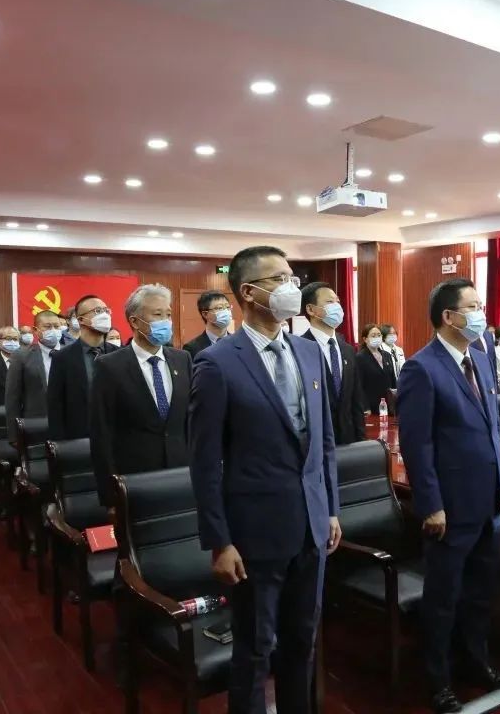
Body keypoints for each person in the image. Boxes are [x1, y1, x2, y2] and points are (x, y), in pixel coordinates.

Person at [188, 245, 339, 714]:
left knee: (302, 641)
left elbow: (324, 441)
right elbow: (204, 462)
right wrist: (219, 540)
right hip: (255, 533)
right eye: (280, 279)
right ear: (249, 292)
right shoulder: (217, 363)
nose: (292, 287)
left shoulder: (309, 352)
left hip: (312, 526)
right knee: (254, 649)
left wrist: (331, 509)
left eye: (293, 278)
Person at [396, 278, 500, 713]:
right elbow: (417, 444)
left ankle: (477, 662)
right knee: (443, 599)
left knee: (480, 594)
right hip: (449, 507)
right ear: (448, 316)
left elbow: (489, 426)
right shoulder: (421, 368)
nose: (482, 314)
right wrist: (430, 505)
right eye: (473, 307)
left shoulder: (480, 357)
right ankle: (438, 680)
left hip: (488, 500)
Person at [91, 285, 191, 507]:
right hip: (135, 479)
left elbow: (191, 420)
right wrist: (110, 497)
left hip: (182, 474)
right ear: (135, 322)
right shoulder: (109, 366)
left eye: (168, 314)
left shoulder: (183, 359)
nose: (166, 321)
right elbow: (102, 433)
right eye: (157, 314)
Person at [301, 282, 366, 444]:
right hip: (315, 442)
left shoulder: (348, 350)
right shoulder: (299, 349)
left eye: (338, 301)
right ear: (311, 309)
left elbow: (356, 401)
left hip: (348, 441)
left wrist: (361, 441)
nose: (337, 306)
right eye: (330, 302)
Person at [47, 295, 118, 440]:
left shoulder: (119, 354)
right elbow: (55, 406)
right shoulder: (62, 358)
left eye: (106, 310)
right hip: (79, 438)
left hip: (116, 437)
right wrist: (61, 445)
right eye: (97, 311)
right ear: (80, 320)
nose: (104, 315)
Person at [5, 310, 63, 445]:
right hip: (36, 425)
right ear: (36, 330)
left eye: (56, 326)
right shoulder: (22, 356)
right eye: (48, 327)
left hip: (68, 426)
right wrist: (14, 435)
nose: (53, 330)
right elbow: (12, 397)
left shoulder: (71, 353)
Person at [356, 323, 397, 414]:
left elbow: (393, 380)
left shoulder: (387, 355)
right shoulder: (360, 357)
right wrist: (365, 407)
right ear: (365, 339)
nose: (377, 338)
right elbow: (359, 386)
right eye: (373, 335)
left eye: (379, 335)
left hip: (389, 405)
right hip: (371, 407)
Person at [184, 290, 233, 360]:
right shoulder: (191, 348)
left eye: (227, 307)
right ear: (205, 314)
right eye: (219, 308)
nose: (225, 311)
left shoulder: (239, 343)